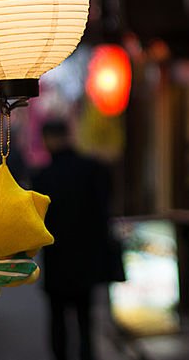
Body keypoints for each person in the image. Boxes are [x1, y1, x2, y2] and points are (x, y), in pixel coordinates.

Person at [32, 120, 115, 360]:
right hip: (87, 259)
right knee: (85, 318)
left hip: (57, 259)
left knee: (57, 319)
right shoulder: (92, 169)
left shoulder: (43, 177)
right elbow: (104, 210)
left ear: (48, 140)